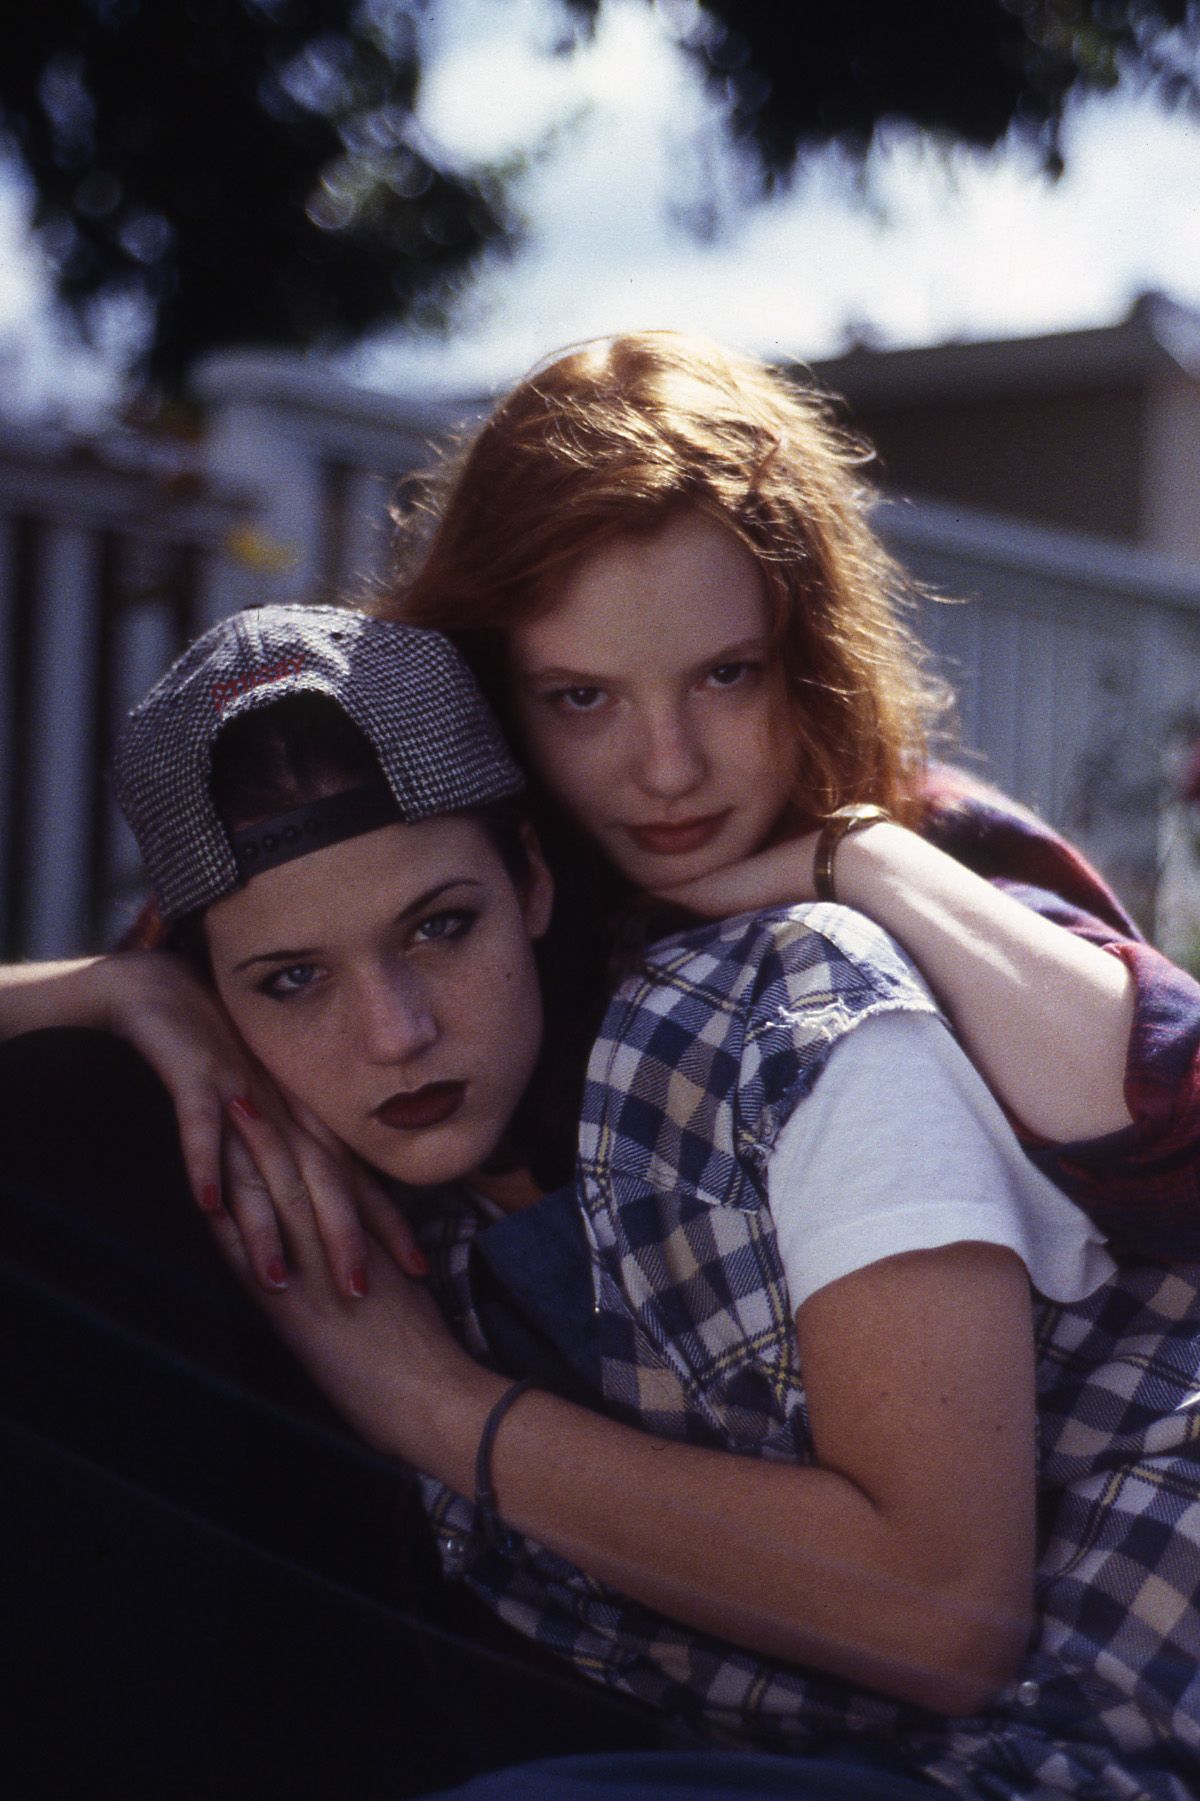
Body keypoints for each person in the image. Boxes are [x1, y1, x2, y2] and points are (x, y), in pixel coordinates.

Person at [57, 604, 1200, 1800]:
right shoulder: (393, 1199)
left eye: (440, 927)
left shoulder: (789, 1014)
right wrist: (121, 993)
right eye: (292, 980)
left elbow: (947, 1617)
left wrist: (432, 1404)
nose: (395, 1032)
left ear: (531, 879)